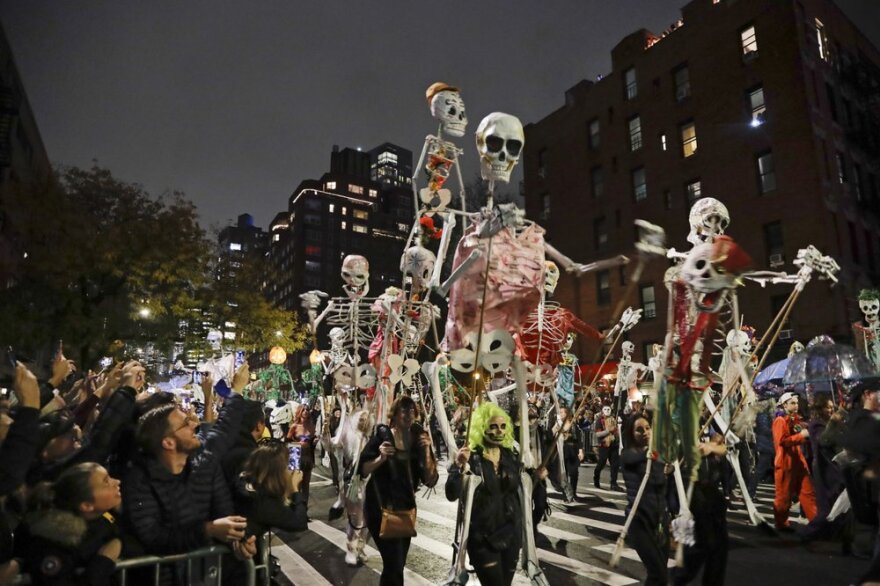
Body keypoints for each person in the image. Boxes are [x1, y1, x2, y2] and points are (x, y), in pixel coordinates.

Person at [122, 364, 256, 567]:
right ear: (168, 442)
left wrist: (237, 541)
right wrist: (209, 530)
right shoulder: (139, 480)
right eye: (185, 423)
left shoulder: (204, 464)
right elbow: (153, 537)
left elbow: (222, 432)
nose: (195, 424)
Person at [446, 402, 546, 586]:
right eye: (493, 427)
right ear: (482, 428)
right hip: (482, 537)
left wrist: (536, 478)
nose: (499, 431)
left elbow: (523, 490)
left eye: (502, 426)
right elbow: (451, 494)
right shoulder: (472, 458)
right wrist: (459, 466)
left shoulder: (510, 456)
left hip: (510, 534)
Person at [359, 396, 438, 586]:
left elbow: (430, 480)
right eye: (404, 410)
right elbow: (362, 469)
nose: (409, 415)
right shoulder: (382, 435)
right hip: (379, 507)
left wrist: (426, 449)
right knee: (394, 564)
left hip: (405, 510)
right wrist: (380, 458)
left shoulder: (419, 439)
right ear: (394, 414)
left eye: (412, 411)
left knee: (397, 565)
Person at [16, 463, 124, 586]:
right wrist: (103, 561)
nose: (117, 481)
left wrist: (118, 542)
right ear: (87, 506)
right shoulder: (54, 542)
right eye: (106, 482)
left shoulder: (102, 518)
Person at [672, 431, 729, 586]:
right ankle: (676, 578)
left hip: (710, 490)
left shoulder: (704, 424)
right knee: (701, 544)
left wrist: (710, 447)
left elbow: (723, 447)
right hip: (690, 489)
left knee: (720, 545)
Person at [621, 414, 670, 586]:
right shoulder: (628, 455)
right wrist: (650, 454)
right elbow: (634, 459)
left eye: (648, 428)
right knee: (659, 574)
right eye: (639, 430)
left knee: (659, 574)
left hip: (659, 521)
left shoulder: (656, 455)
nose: (645, 432)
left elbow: (661, 485)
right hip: (639, 521)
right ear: (631, 433)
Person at [234, 441, 308, 540]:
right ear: (278, 471)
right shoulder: (264, 502)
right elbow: (299, 522)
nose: (290, 470)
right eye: (287, 465)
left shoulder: (243, 481)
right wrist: (295, 489)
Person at [772, 391, 817, 531]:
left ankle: (816, 522)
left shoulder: (795, 419)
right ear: (784, 404)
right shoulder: (779, 421)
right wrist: (801, 436)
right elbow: (782, 442)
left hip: (798, 461)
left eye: (797, 403)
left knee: (808, 493)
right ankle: (781, 523)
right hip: (786, 463)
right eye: (793, 403)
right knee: (784, 497)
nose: (796, 406)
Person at [746, 399, 775, 500]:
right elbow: (764, 429)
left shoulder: (764, 414)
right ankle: (750, 493)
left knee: (761, 470)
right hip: (765, 444)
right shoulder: (763, 414)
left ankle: (750, 492)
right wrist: (776, 428)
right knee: (760, 470)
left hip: (766, 444)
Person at [556, 406, 584, 501]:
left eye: (563, 412)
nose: (561, 414)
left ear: (567, 414)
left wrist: (580, 450)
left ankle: (573, 493)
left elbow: (579, 439)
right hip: (562, 450)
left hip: (572, 450)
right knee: (564, 474)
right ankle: (566, 494)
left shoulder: (573, 424)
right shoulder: (558, 424)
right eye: (560, 412)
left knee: (574, 473)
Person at [593, 405, 622, 491]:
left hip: (614, 445)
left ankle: (613, 483)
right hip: (604, 445)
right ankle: (596, 478)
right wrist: (608, 430)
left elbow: (616, 432)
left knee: (615, 465)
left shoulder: (613, 419)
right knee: (601, 463)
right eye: (605, 409)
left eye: (608, 409)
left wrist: (617, 438)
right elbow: (598, 434)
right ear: (602, 410)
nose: (607, 410)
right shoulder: (599, 420)